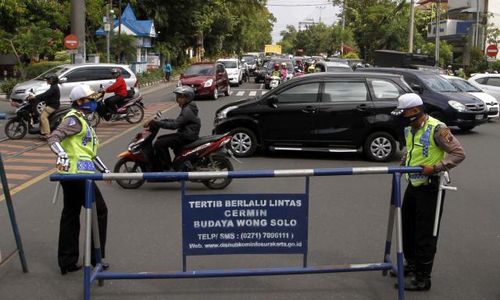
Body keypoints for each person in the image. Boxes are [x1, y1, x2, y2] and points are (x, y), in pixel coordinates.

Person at [393, 93, 465, 291]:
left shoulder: (438, 129)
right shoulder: (410, 128)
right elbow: (410, 150)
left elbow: (459, 153)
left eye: (405, 113)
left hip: (431, 186)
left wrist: (436, 167)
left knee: (425, 233)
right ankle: (412, 264)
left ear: (416, 111)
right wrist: (400, 168)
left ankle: (423, 278)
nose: (402, 118)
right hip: (413, 183)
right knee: (407, 227)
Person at [48, 84, 110, 275]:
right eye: (90, 99)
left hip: (77, 174)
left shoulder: (85, 123)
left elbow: (89, 153)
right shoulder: (74, 120)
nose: (93, 102)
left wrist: (105, 169)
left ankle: (67, 261)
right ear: (80, 102)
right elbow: (53, 138)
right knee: (99, 211)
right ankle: (94, 258)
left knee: (71, 214)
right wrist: (62, 155)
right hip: (77, 175)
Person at [144, 86, 200, 171]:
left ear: (187, 97)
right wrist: (160, 121)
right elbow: (178, 121)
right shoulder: (188, 107)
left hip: (186, 136)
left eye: (180, 97)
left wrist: (157, 123)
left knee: (159, 143)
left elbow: (174, 125)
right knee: (160, 139)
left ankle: (168, 168)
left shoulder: (187, 110)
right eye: (177, 97)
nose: (177, 99)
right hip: (187, 134)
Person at [29, 73, 60, 139]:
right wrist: (36, 96)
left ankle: (48, 134)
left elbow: (46, 94)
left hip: (53, 106)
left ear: (53, 80)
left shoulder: (54, 88)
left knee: (43, 117)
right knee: (41, 117)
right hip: (50, 105)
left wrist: (35, 97)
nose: (47, 80)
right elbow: (46, 95)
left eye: (49, 79)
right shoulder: (53, 87)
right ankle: (43, 133)